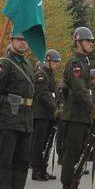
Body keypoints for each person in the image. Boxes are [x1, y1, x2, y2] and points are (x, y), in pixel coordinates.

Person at [0, 30, 37, 189]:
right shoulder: (5, 64)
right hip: (8, 118)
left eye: (26, 40)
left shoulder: (27, 64)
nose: (23, 43)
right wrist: (0, 115)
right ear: (11, 41)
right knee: (5, 161)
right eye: (19, 39)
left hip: (25, 118)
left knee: (22, 160)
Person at [59, 27, 95, 189]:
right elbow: (79, 90)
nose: (91, 43)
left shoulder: (84, 62)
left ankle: (73, 187)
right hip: (74, 115)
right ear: (78, 42)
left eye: (92, 41)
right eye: (88, 41)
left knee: (78, 153)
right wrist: (94, 110)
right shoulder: (75, 63)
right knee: (71, 154)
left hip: (82, 115)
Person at [31, 49, 61, 181]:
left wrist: (57, 108)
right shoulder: (41, 74)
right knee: (39, 143)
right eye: (55, 61)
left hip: (48, 114)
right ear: (48, 61)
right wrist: (55, 109)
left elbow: (53, 95)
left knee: (47, 143)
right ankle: (37, 170)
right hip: (41, 113)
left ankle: (43, 168)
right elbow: (44, 94)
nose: (57, 64)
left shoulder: (51, 74)